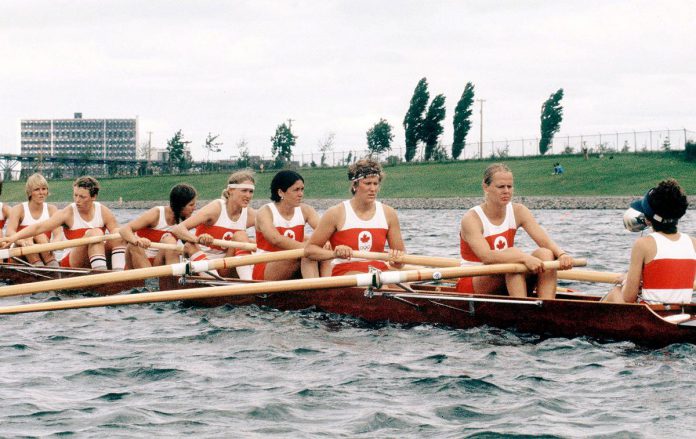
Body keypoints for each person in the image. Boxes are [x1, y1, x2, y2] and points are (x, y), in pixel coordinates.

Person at [457, 163, 574, 299]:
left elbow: (544, 241)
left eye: (510, 186)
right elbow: (487, 256)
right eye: (501, 186)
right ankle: (522, 311)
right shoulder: (472, 218)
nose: (506, 191)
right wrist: (523, 258)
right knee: (513, 258)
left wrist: (561, 255)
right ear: (485, 186)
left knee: (545, 253)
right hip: (473, 282)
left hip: (506, 274)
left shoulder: (519, 211)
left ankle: (546, 305)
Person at [0, 176, 126, 271]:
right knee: (95, 233)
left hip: (96, 256)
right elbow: (40, 227)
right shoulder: (68, 212)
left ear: (94, 197)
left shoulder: (103, 211)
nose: (77, 200)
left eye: (82, 197)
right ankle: (101, 276)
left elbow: (119, 233)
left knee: (118, 234)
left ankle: (119, 274)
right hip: (72, 260)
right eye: (75, 195)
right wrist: (14, 238)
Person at [306, 157, 405, 276]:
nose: (373, 189)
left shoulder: (389, 213)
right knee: (378, 285)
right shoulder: (335, 213)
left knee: (409, 289)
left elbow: (400, 260)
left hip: (379, 271)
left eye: (376, 184)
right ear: (355, 185)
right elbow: (310, 250)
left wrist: (397, 261)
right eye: (368, 183)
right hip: (345, 273)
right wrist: (335, 254)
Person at [603, 179, 695, 304]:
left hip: (651, 316)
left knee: (615, 292)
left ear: (647, 220)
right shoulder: (693, 243)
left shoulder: (642, 244)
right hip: (681, 315)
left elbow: (628, 297)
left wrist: (626, 280)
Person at [170, 170, 256, 279]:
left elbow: (272, 230)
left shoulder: (250, 214)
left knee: (241, 236)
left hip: (226, 266)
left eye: (251, 191)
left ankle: (248, 283)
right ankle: (214, 283)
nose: (248, 195)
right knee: (189, 245)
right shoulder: (216, 208)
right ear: (231, 190)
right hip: (202, 264)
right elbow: (178, 229)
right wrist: (198, 239)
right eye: (244, 191)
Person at [253, 170, 322, 280]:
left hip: (296, 258)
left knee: (324, 255)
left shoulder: (306, 210)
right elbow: (276, 239)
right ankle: (316, 290)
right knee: (308, 254)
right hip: (265, 266)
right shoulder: (265, 212)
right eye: (296, 190)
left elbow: (324, 231)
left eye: (302, 189)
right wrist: (309, 248)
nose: (301, 194)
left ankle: (327, 288)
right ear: (281, 192)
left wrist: (328, 242)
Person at [119, 183, 198, 269]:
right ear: (180, 205)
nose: (194, 208)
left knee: (170, 240)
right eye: (191, 205)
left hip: (158, 263)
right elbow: (124, 229)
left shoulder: (185, 221)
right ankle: (150, 280)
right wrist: (137, 240)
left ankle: (174, 279)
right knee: (132, 245)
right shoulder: (156, 213)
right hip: (139, 260)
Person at [5, 173, 61, 266]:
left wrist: (54, 244)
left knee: (40, 236)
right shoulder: (19, 209)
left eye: (44, 189)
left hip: (43, 252)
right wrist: (21, 241)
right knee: (28, 237)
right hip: (20, 255)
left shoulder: (52, 209)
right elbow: (9, 232)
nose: (41, 193)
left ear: (47, 191)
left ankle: (47, 269)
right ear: (30, 192)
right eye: (37, 189)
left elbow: (58, 234)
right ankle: (49, 270)